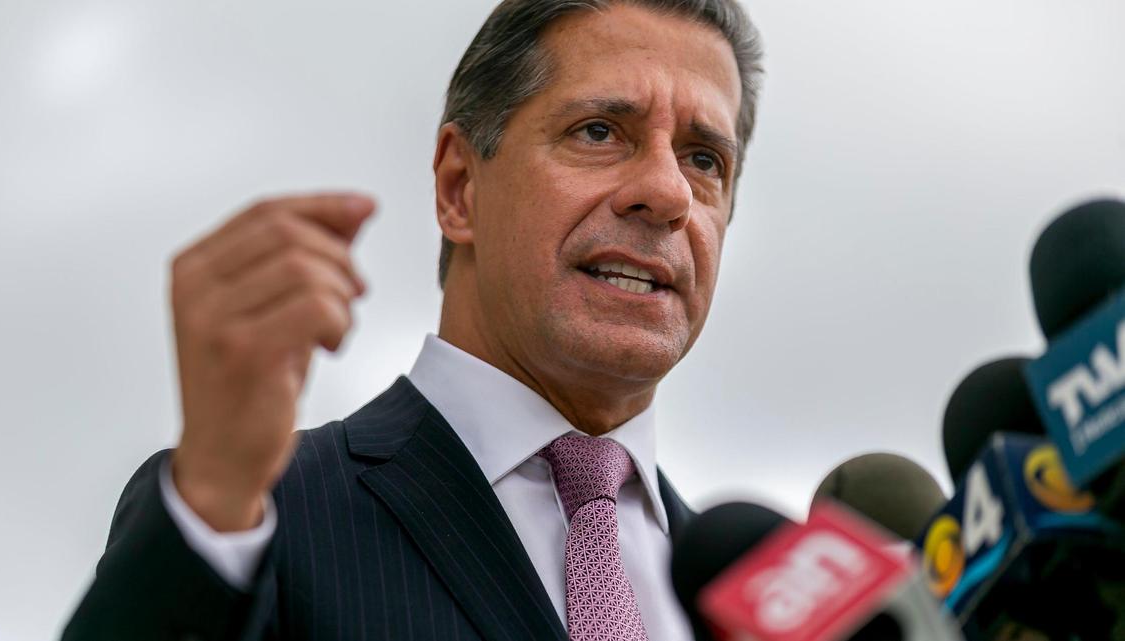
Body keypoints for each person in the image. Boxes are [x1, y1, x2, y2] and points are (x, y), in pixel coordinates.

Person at [63, 1, 763, 639]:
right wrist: (214, 499)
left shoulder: (759, 593)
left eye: (704, 159)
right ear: (459, 187)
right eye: (600, 131)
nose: (668, 192)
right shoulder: (253, 516)